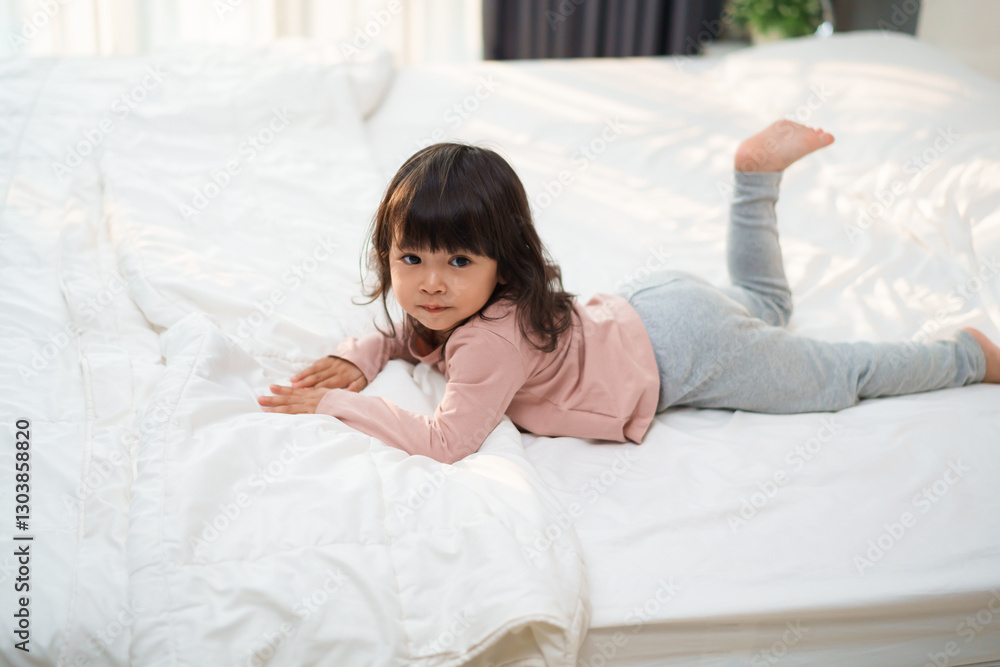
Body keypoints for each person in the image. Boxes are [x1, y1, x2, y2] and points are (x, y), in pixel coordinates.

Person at [256, 120, 999, 464]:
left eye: (457, 261)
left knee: (843, 375)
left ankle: (969, 354)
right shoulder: (464, 304)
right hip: (652, 301)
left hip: (683, 349)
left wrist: (332, 402)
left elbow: (447, 442)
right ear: (387, 252)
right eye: (410, 257)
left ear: (500, 263)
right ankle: (755, 179)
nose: (429, 283)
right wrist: (359, 352)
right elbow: (411, 332)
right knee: (765, 309)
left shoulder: (486, 339)